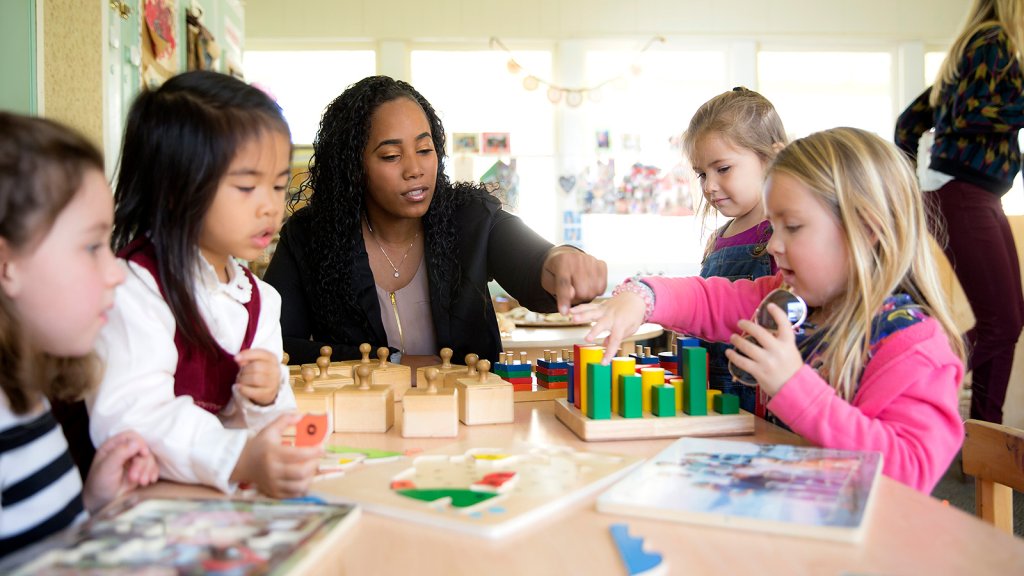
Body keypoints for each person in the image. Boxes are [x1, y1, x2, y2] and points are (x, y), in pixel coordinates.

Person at [572, 128, 966, 493]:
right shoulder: (786, 300)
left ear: (866, 231)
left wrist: (794, 387)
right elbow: (710, 300)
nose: (773, 245)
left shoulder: (911, 345)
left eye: (792, 227)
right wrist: (642, 296)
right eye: (773, 227)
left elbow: (911, 471)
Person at [264, 75, 608, 367]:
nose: (415, 169)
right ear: (353, 168)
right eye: (391, 156)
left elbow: (533, 260)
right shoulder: (308, 237)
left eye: (425, 150)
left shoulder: (469, 218)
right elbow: (276, 346)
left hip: (472, 427)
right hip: (361, 433)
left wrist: (560, 260)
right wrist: (394, 364)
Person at [88, 71, 320, 498]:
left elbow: (270, 432)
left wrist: (267, 398)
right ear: (176, 190)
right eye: (247, 186)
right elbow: (134, 416)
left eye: (278, 185)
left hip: (214, 501)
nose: (270, 206)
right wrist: (239, 458)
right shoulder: (133, 288)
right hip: (145, 505)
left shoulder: (260, 300)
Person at [0, 113, 158, 558]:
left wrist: (91, 503)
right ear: (6, 266)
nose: (117, 274)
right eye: (92, 247)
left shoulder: (26, 394)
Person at [894, 0, 1024, 424]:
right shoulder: (994, 40)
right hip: (966, 195)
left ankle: (985, 435)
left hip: (969, 195)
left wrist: (916, 190)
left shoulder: (968, 50)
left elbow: (908, 124)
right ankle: (902, 385)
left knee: (1003, 323)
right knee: (1001, 324)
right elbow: (970, 115)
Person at [683, 87, 787, 413]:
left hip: (765, 406)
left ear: (771, 158)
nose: (709, 186)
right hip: (713, 401)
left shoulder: (781, 237)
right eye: (702, 174)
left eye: (723, 169)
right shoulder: (718, 238)